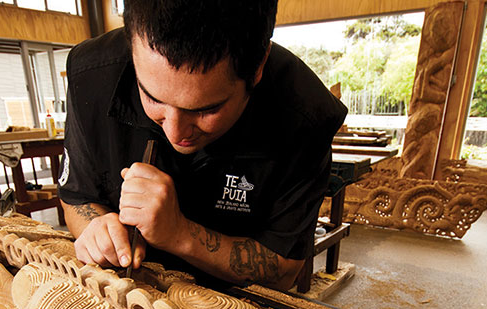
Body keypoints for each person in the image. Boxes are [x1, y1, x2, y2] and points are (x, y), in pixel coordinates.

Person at [58, 0, 347, 290]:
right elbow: (77, 197)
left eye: (205, 110)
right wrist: (97, 230)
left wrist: (178, 233)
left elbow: (284, 270)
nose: (175, 132)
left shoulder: (305, 116)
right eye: (153, 98)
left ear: (258, 67)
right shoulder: (92, 74)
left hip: (235, 306)